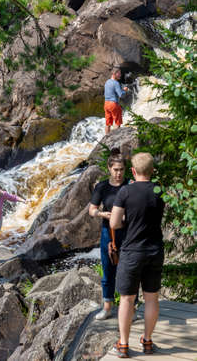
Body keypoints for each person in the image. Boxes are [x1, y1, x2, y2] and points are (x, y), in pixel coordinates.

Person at [110, 152, 165, 358]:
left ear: (133, 171)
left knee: (127, 299)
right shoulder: (160, 191)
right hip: (154, 250)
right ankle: (148, 342)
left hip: (132, 251)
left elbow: (114, 223)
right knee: (151, 298)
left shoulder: (125, 192)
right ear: (152, 171)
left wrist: (127, 220)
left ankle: (124, 345)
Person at [89, 150, 128, 320]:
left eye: (121, 170)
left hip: (128, 232)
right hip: (108, 232)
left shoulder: (130, 185)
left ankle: (130, 308)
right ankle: (107, 308)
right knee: (107, 269)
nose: (118, 173)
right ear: (109, 168)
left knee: (128, 271)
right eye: (115, 170)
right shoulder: (102, 187)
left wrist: (126, 216)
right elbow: (92, 210)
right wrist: (101, 214)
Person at [104, 67, 128, 135]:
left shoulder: (107, 82)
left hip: (106, 104)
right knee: (117, 123)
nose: (120, 75)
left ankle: (106, 139)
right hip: (113, 104)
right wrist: (125, 90)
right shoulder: (116, 83)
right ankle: (116, 139)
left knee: (108, 123)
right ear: (115, 73)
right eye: (119, 73)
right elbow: (121, 95)